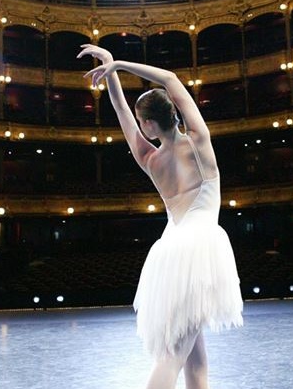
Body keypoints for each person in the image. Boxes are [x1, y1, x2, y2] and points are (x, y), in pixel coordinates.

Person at [77, 44, 243, 389]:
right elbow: (169, 79)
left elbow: (121, 110)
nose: (139, 125)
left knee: (195, 360)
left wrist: (112, 73)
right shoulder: (199, 142)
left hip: (170, 252)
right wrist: (118, 64)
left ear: (150, 124)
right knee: (173, 357)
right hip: (197, 249)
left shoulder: (148, 159)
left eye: (142, 121)